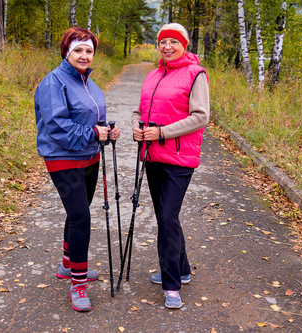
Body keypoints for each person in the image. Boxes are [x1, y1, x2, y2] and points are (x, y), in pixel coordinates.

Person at [34, 26, 120, 312]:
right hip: (63, 157)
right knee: (81, 217)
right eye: (78, 50)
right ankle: (78, 284)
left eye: (89, 51)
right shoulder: (53, 83)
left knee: (76, 214)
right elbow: (58, 127)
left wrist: (108, 130)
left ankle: (68, 266)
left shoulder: (89, 84)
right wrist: (94, 134)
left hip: (89, 157)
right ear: (66, 52)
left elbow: (94, 121)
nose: (84, 56)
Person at [132, 23, 210, 309]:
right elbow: (139, 111)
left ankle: (171, 284)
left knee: (166, 217)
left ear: (184, 45)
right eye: (163, 42)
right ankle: (183, 269)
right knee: (168, 217)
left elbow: (200, 116)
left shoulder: (195, 74)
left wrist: (162, 132)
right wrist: (136, 130)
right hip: (152, 156)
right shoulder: (152, 75)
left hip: (178, 159)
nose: (167, 47)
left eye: (173, 42)